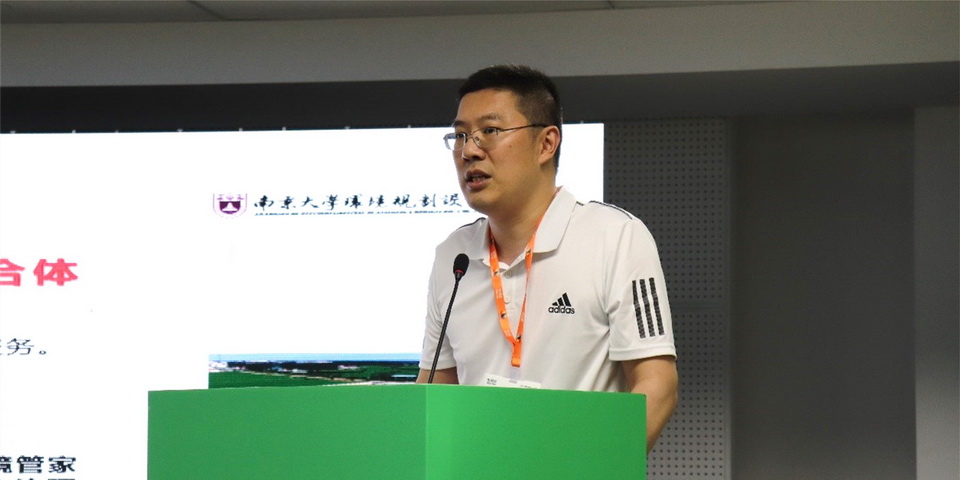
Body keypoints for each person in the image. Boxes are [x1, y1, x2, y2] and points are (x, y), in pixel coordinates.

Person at [416, 65, 678, 452]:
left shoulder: (615, 236)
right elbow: (434, 392)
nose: (469, 150)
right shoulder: (452, 256)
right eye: (460, 135)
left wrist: (600, 470)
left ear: (546, 144)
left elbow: (657, 386)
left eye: (490, 131)